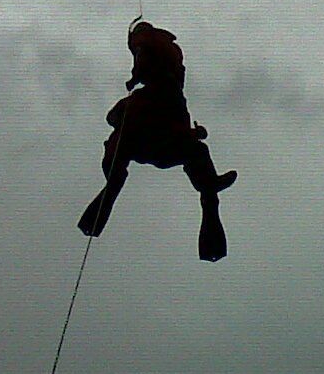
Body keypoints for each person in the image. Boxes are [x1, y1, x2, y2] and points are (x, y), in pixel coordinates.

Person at [77, 20, 237, 261]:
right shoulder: (157, 80)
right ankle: (209, 193)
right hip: (156, 143)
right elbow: (120, 116)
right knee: (196, 155)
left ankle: (208, 191)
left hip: (153, 143)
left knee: (194, 153)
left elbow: (119, 114)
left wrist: (135, 79)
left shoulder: (150, 58)